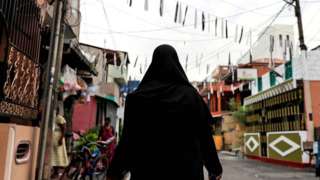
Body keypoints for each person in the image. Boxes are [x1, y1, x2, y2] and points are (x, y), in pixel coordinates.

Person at [107, 45, 222, 180]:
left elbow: (128, 139)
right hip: (187, 172)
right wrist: (214, 168)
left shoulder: (136, 99)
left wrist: (115, 171)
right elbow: (204, 136)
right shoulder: (192, 97)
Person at [51, 113, 69, 178]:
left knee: (58, 155)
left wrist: (61, 138)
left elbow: (64, 128)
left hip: (58, 139)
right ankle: (54, 171)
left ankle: (56, 172)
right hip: (53, 139)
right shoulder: (51, 117)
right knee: (53, 155)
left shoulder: (59, 118)